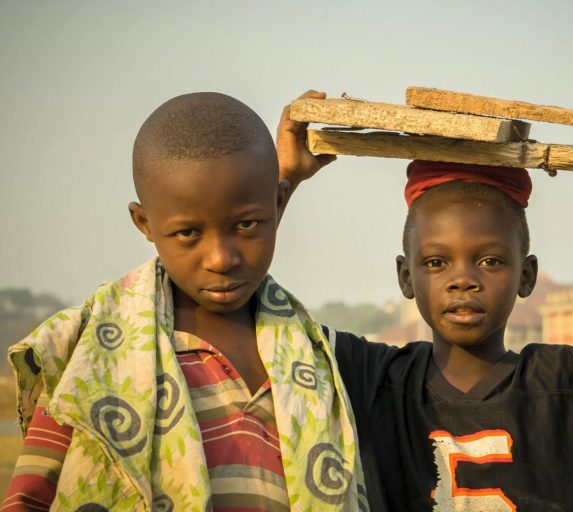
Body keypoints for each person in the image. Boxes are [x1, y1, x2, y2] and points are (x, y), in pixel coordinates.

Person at [279, 107, 573, 511]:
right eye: (436, 261)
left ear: (527, 275)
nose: (462, 278)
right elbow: (249, 315)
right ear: (407, 276)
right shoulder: (372, 381)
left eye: (489, 260)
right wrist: (284, 180)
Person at [2, 92, 367, 512]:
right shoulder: (91, 358)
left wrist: (284, 176)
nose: (220, 259)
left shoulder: (317, 356)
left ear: (278, 203)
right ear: (144, 223)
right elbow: (28, 501)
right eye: (188, 234)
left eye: (246, 224)